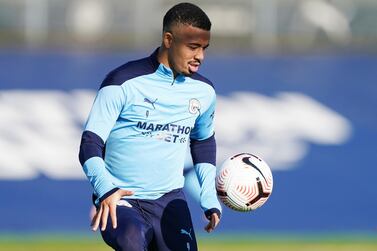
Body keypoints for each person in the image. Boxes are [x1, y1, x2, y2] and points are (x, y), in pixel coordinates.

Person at [79, 2, 221, 250]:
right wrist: (106, 190)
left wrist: (209, 197)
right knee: (132, 238)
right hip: (122, 201)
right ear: (169, 39)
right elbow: (90, 144)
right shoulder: (122, 82)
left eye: (204, 48)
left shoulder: (205, 92)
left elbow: (203, 142)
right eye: (193, 47)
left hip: (170, 200)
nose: (200, 56)